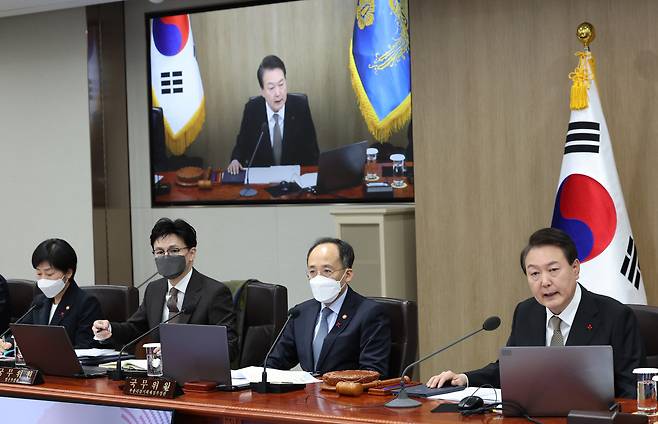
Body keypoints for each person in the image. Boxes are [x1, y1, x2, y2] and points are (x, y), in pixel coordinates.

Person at [426, 227, 644, 398]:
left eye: (553, 270)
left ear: (575, 268)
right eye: (534, 274)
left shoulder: (615, 317)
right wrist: (463, 379)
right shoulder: (526, 312)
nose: (545, 282)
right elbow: (511, 370)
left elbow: (632, 391)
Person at [92, 218, 239, 361]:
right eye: (160, 252)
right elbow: (135, 329)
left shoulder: (215, 293)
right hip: (159, 375)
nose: (166, 257)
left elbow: (229, 346)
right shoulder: (154, 289)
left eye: (174, 250)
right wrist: (109, 329)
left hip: (198, 378)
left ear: (191, 254)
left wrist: (182, 348)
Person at [266, 237, 391, 376]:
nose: (318, 279)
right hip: (307, 396)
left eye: (327, 271)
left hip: (346, 395)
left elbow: (371, 373)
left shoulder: (370, 313)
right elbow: (274, 363)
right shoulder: (300, 313)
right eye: (312, 272)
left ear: (347, 275)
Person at [226, 55, 319, 174]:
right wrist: (235, 160)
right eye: (271, 88)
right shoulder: (252, 109)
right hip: (262, 184)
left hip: (294, 182)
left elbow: (313, 154)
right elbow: (241, 146)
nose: (278, 93)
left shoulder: (300, 107)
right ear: (262, 91)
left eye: (281, 84)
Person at [8, 239, 101, 349]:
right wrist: (9, 343)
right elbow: (22, 332)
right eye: (39, 273)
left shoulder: (86, 303)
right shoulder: (39, 302)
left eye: (49, 274)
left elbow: (85, 346)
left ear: (68, 273)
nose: (43, 279)